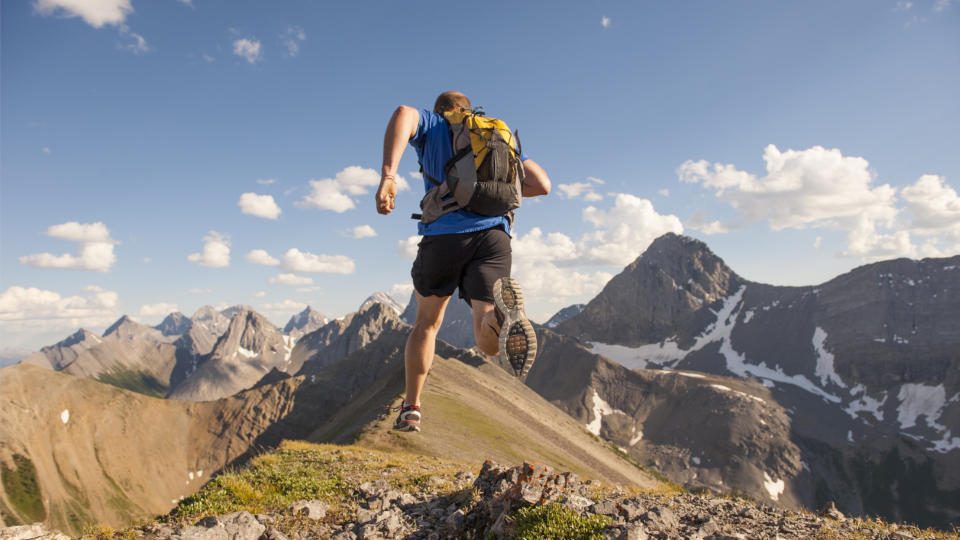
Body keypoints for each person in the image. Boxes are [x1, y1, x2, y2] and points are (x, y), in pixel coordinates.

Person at [375, 91, 551, 432]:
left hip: (444, 235)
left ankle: (411, 407)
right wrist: (489, 191)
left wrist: (388, 175)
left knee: (427, 323)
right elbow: (541, 184)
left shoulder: (435, 124)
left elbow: (403, 113)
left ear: (442, 110)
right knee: (488, 341)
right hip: (495, 239)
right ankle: (504, 314)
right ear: (468, 109)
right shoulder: (494, 134)